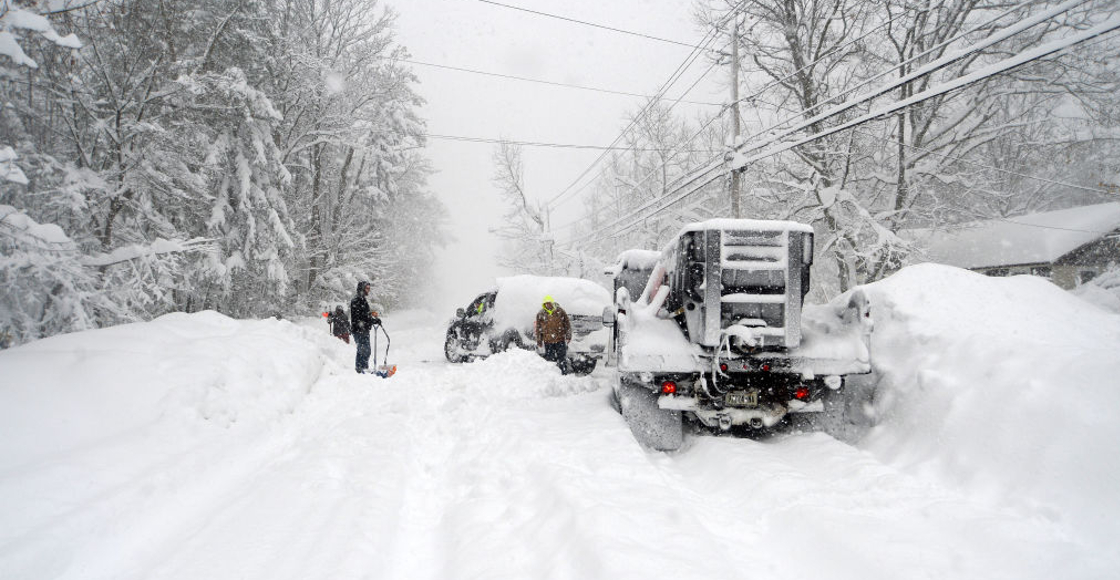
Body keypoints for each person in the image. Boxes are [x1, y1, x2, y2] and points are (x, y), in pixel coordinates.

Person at [534, 295, 571, 374]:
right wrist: (539, 340)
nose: (548, 305)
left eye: (549, 303)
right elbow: (538, 328)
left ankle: (564, 374)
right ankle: (552, 375)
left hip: (560, 339)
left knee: (562, 359)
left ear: (552, 303)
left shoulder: (560, 311)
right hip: (548, 341)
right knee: (550, 360)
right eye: (546, 303)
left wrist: (568, 336)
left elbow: (567, 324)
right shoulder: (541, 314)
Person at [349, 280, 380, 373]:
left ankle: (363, 368)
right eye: (367, 288)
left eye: (369, 288)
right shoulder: (357, 300)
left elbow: (365, 315)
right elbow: (359, 317)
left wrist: (372, 318)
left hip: (363, 329)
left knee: (365, 350)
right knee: (364, 350)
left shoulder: (362, 299)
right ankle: (361, 369)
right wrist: (370, 320)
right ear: (362, 288)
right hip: (359, 329)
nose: (368, 290)